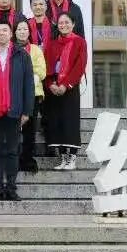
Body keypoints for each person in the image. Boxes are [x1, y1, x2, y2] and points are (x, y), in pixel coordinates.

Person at [0, 21, 35, 201]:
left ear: (11, 33)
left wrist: (27, 111)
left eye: (5, 30)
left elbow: (29, 84)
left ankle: (11, 188)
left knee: (12, 150)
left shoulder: (22, 55)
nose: (1, 33)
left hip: (14, 109)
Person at [43, 12, 88, 170]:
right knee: (57, 122)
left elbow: (80, 66)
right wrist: (51, 84)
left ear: (73, 24)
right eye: (61, 23)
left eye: (67, 22)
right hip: (54, 88)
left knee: (70, 122)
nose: (63, 25)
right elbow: (46, 66)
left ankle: (72, 159)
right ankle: (63, 158)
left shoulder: (79, 42)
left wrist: (66, 85)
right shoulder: (52, 44)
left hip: (70, 87)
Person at [14, 21, 47, 173]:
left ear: (29, 32)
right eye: (19, 29)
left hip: (33, 94)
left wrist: (23, 75)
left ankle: (27, 158)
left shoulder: (36, 50)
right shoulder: (11, 49)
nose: (22, 31)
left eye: (25, 29)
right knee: (14, 128)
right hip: (13, 94)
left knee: (29, 129)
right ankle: (14, 159)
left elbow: (41, 71)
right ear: (14, 32)